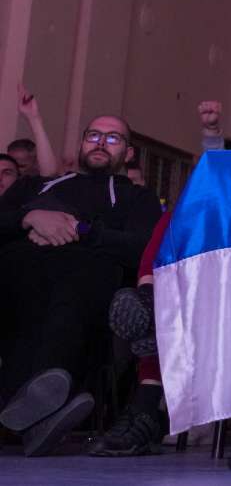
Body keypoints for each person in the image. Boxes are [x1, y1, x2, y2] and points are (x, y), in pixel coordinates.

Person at [0, 115, 161, 456]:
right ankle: (41, 415)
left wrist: (80, 231)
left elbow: (143, 247)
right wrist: (29, 218)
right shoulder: (36, 186)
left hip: (85, 278)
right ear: (81, 144)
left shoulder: (137, 197)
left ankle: (34, 401)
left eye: (113, 138)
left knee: (78, 277)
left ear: (129, 154)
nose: (101, 143)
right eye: (94, 135)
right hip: (16, 270)